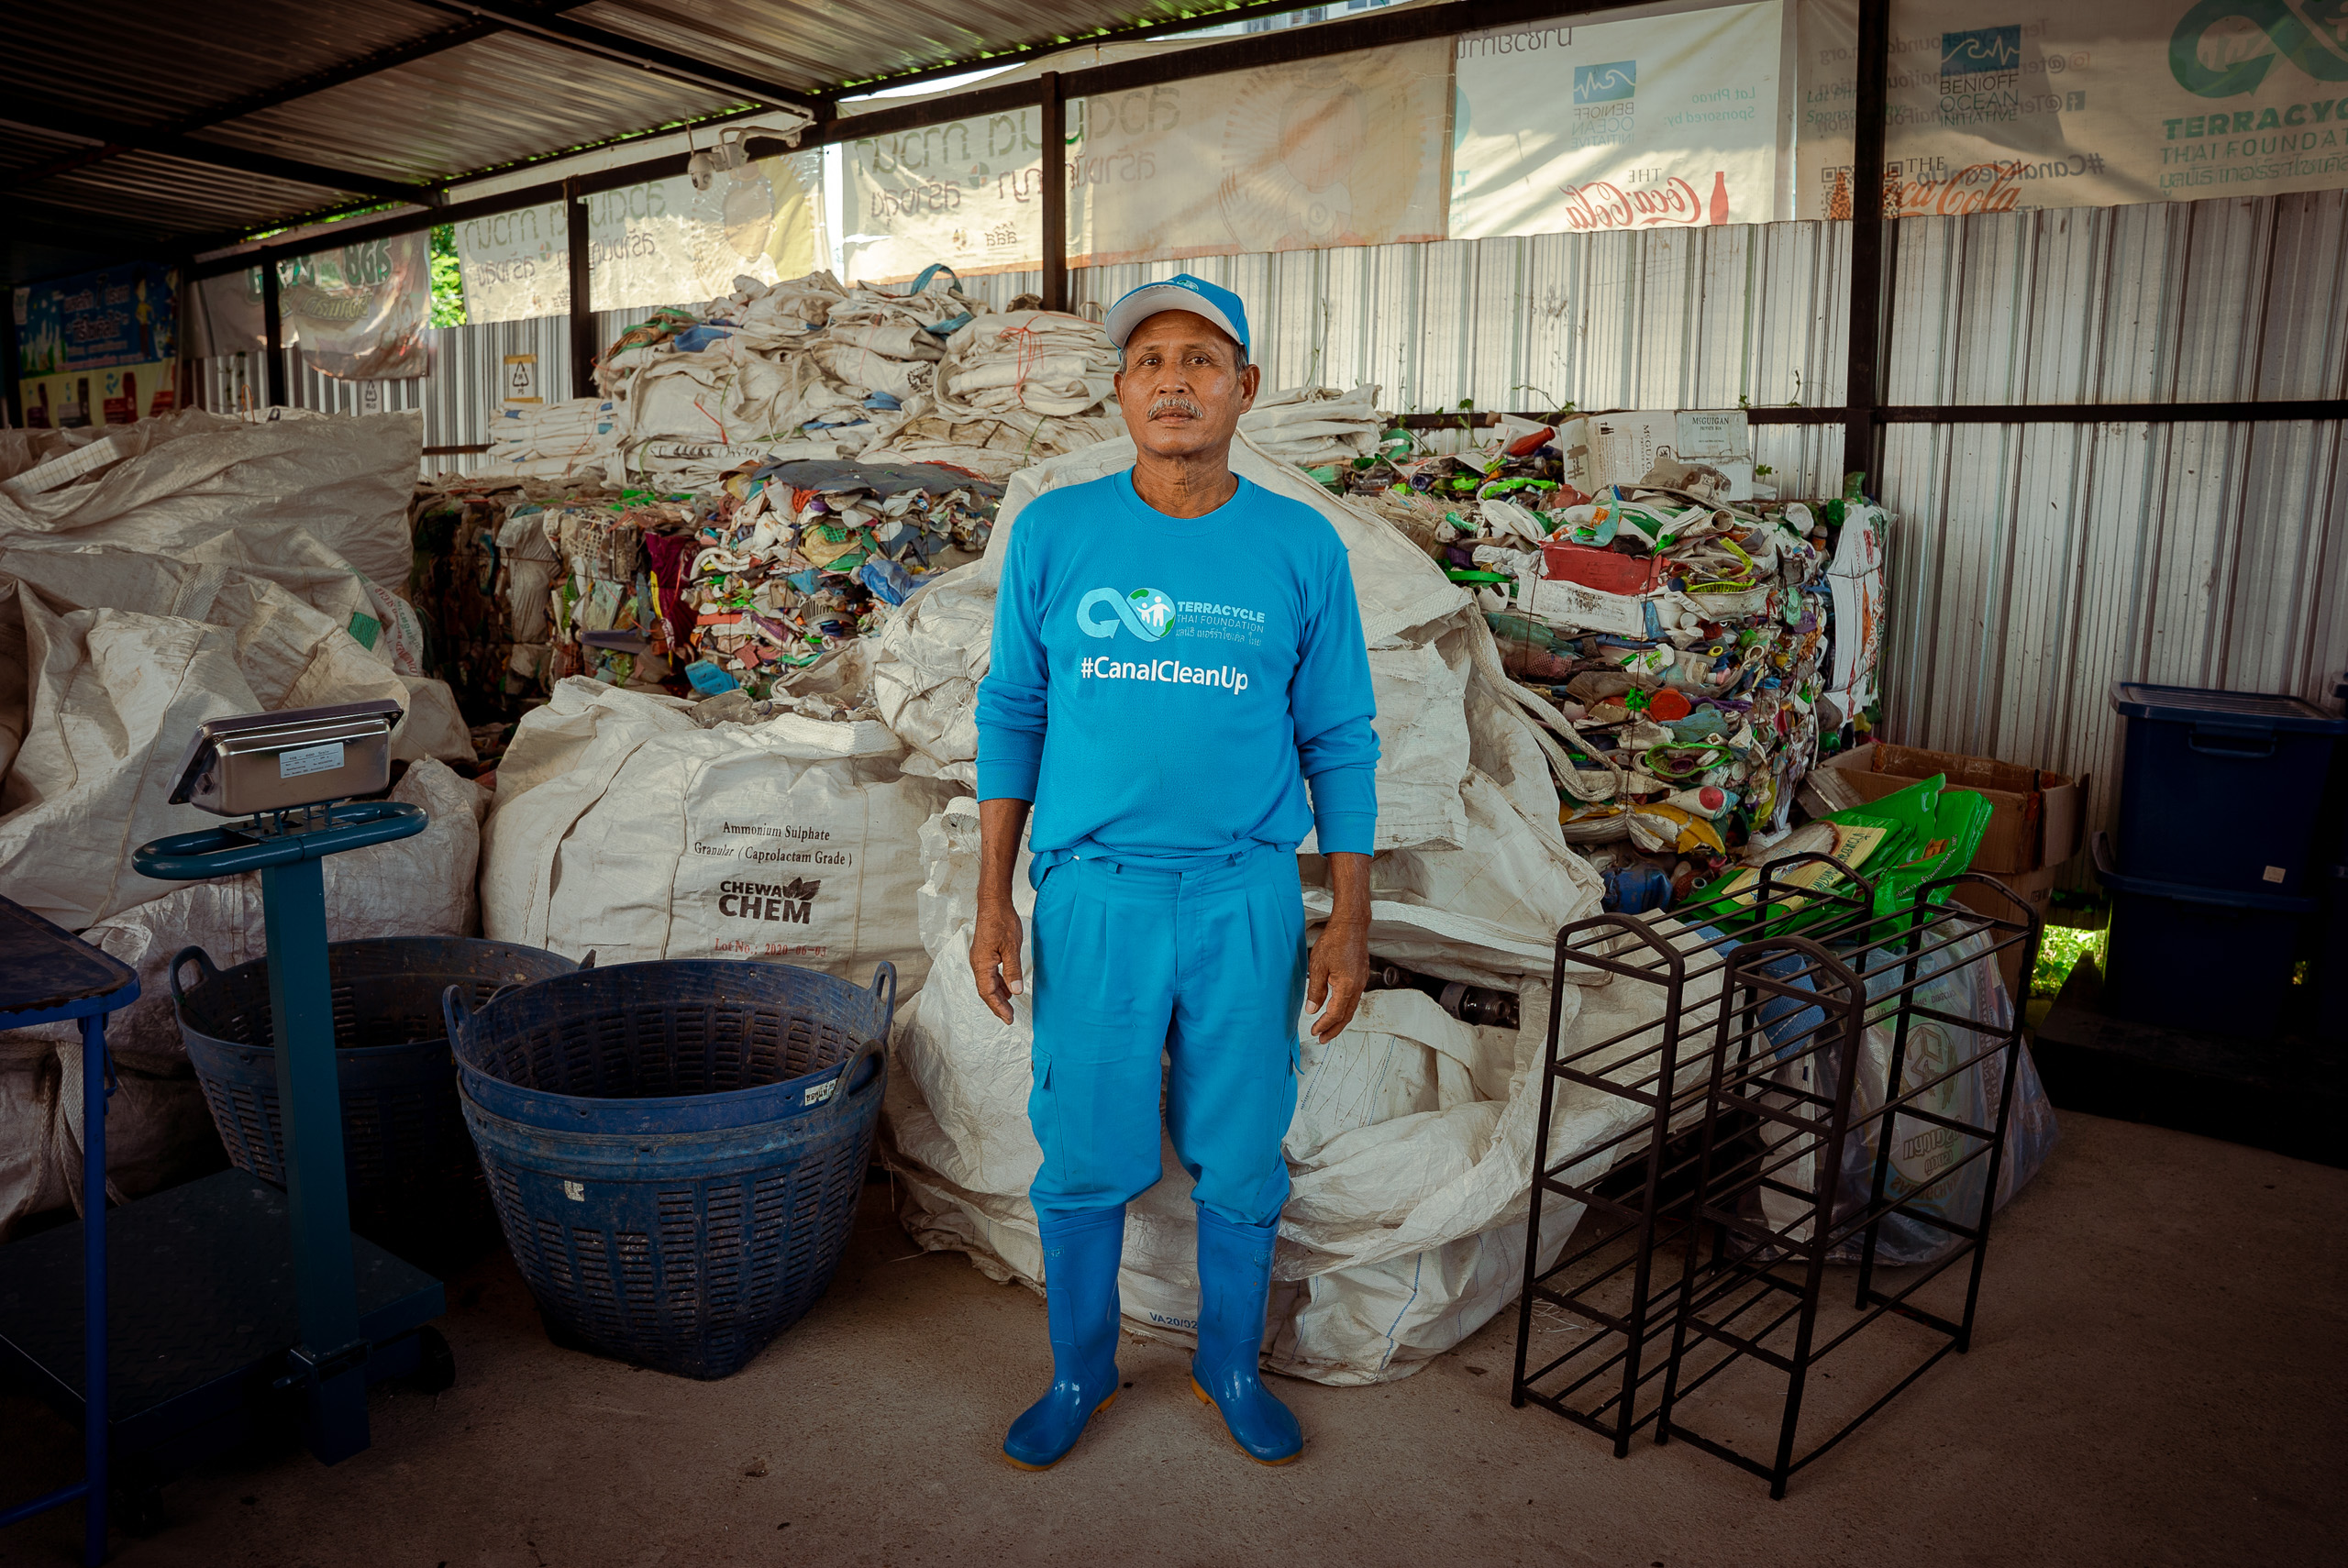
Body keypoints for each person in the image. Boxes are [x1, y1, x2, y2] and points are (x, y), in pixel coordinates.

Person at [970, 274, 1379, 1470]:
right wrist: (993, 897)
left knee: (1244, 1146)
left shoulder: (1300, 545)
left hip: (1244, 894)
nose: (1174, 381)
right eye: (1149, 360)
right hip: (1094, 891)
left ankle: (1228, 1360)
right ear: (1119, 392)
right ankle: (1080, 1366)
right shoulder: (1055, 530)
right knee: (1086, 1148)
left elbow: (1340, 736)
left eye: (1202, 359)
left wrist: (1348, 917)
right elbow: (1012, 714)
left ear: (1245, 389)